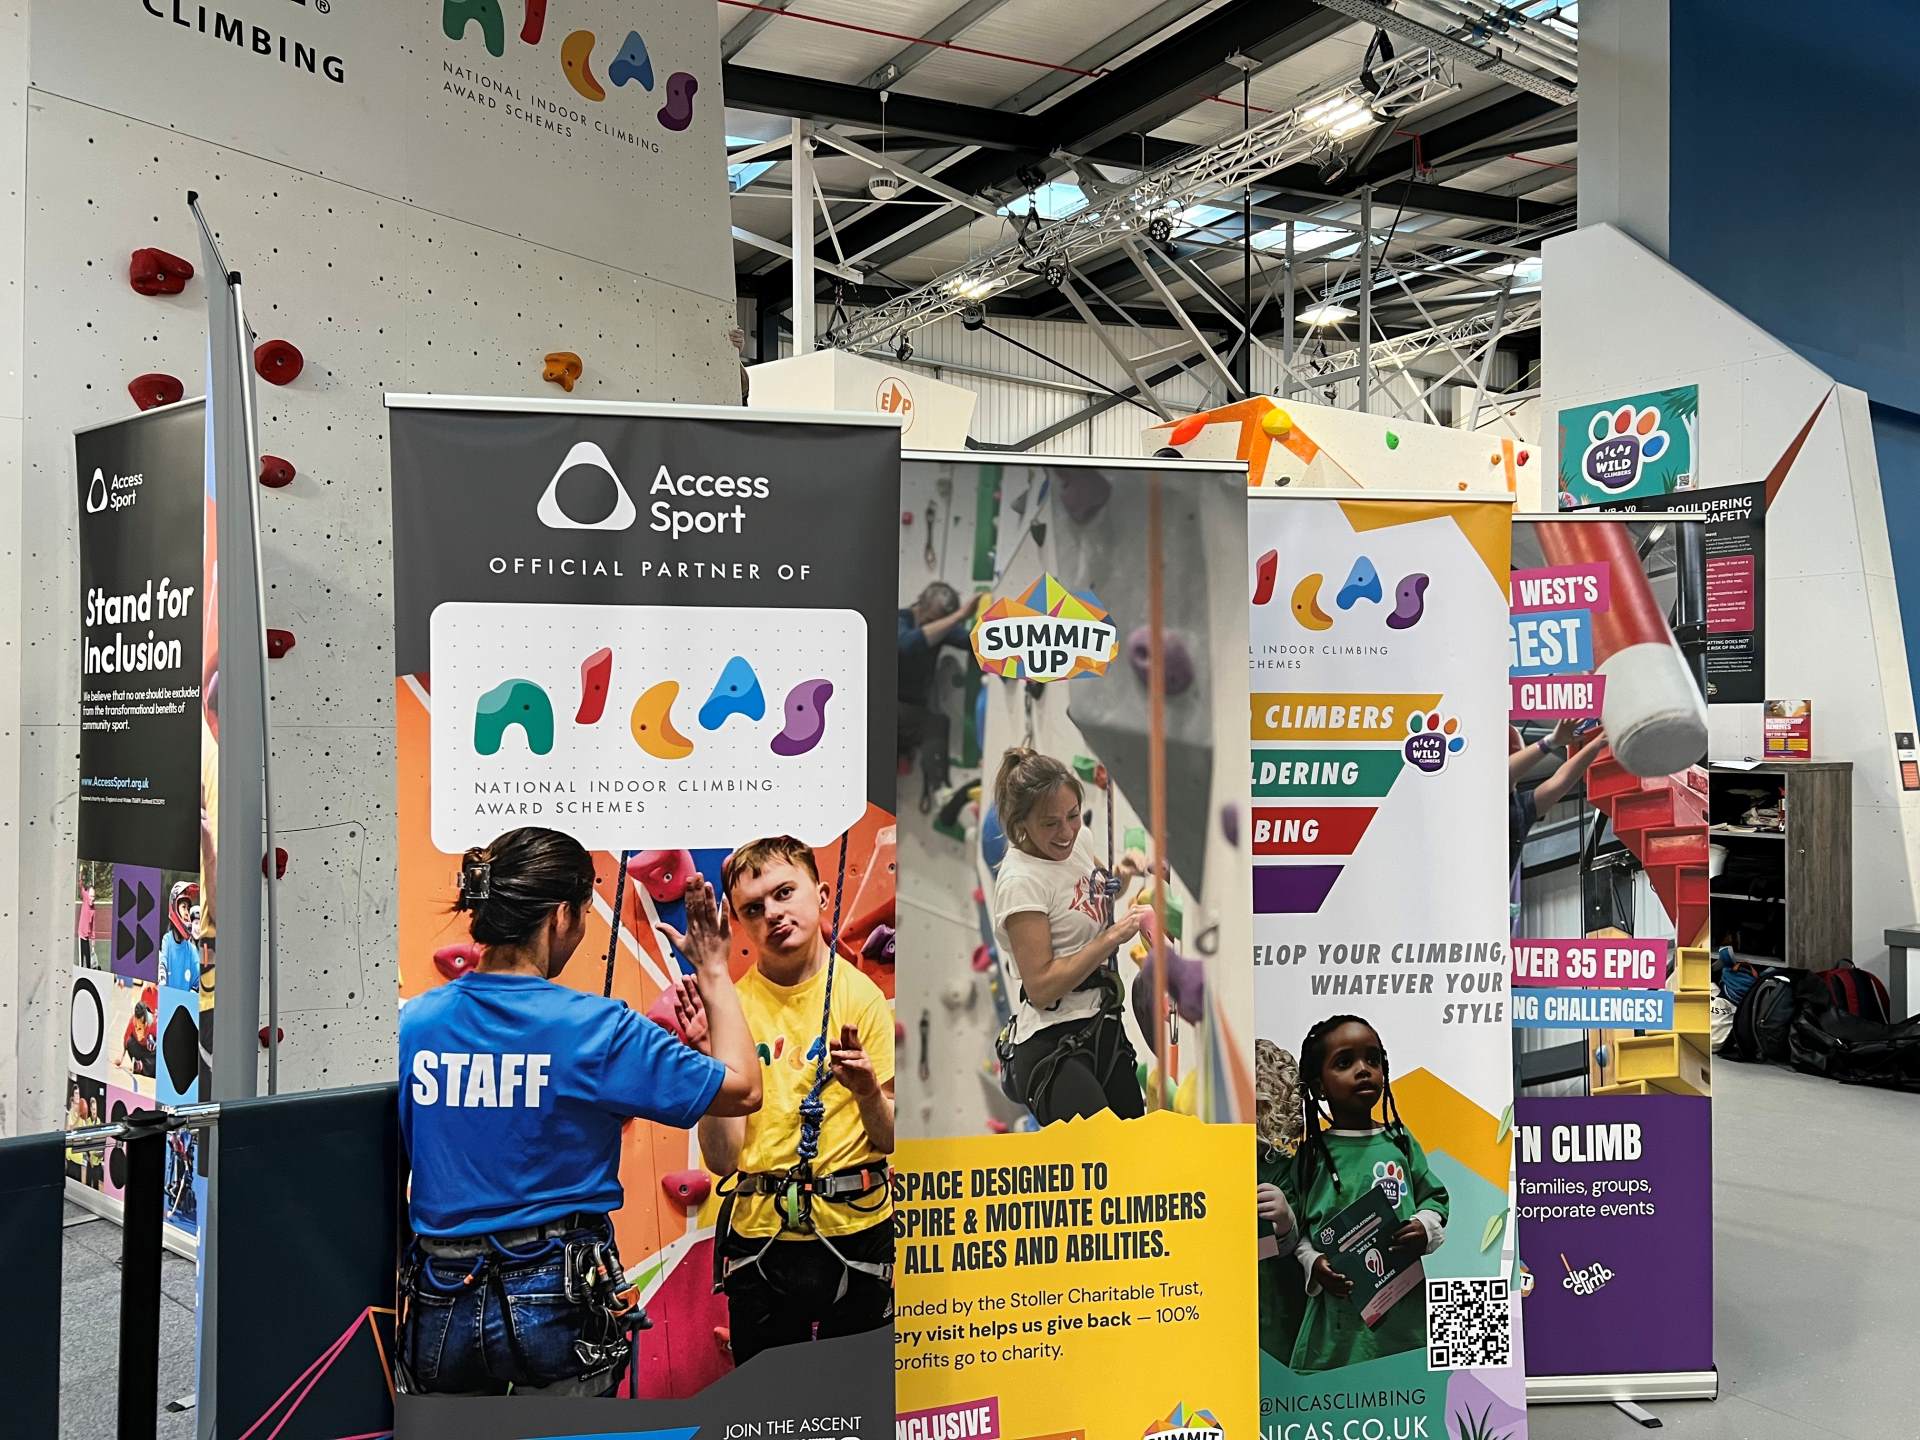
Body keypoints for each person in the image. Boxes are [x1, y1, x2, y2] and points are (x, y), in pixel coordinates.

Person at [396, 827, 762, 1398]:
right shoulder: (599, 1029)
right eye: (586, 912)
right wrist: (714, 969)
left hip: (440, 1294)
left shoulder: (414, 1025)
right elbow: (743, 1089)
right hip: (557, 1293)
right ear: (560, 916)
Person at [669, 836, 896, 1366]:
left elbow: (887, 1138)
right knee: (765, 1399)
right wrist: (709, 1067)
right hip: (761, 1239)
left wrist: (867, 1092)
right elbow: (723, 1160)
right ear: (739, 925)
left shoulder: (861, 998)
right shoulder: (730, 1009)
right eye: (753, 908)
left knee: (857, 1391)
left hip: (856, 1231)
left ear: (821, 895)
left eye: (784, 892)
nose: (772, 913)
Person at [1275, 1015, 1449, 1373]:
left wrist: (1424, 1227)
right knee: (1339, 1395)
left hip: (1404, 1312)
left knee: (1408, 1391)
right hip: (1338, 1321)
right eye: (1344, 1062)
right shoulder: (1311, 1157)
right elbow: (1298, 1233)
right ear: (1319, 1085)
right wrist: (1313, 1264)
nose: (1363, 1070)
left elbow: (1435, 1199)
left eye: (1373, 1059)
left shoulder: (1399, 1142)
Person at [989, 747, 1153, 1124]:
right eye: (1050, 824)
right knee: (1102, 1152)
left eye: (1073, 815)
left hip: (1100, 1022)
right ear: (1021, 824)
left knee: (1138, 1148)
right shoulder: (1021, 883)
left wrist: (1122, 874)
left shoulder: (1078, 842)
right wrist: (1112, 938)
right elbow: (1042, 986)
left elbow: (1094, 894)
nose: (1065, 832)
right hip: (1053, 1040)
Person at [1509, 719, 1609, 876]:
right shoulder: (1486, 802)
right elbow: (1504, 774)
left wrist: (1599, 742)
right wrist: (1552, 741)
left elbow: (1559, 782)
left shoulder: (1519, 810)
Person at [897, 582, 976, 763]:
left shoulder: (940, 629)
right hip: (888, 704)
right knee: (933, 725)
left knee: (937, 725)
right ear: (920, 605)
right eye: (931, 620)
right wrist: (958, 616)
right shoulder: (900, 619)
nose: (934, 627)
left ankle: (934, 781)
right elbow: (905, 645)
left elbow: (972, 641)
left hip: (913, 711)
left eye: (939, 622)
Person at [77, 881, 95, 967]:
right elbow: (81, 886)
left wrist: (93, 939)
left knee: (88, 963)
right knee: (81, 962)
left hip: (87, 937)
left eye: (93, 896)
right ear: (87, 895)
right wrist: (81, 876)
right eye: (91, 896)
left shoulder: (93, 909)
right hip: (81, 936)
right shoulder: (85, 899)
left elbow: (93, 925)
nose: (92, 898)